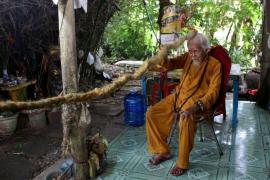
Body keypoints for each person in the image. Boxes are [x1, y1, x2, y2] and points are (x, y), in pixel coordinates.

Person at [146, 33, 222, 176]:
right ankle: (163, 151)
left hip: (197, 104)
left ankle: (182, 162)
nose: (192, 55)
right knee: (151, 113)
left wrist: (194, 108)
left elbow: (213, 93)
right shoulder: (187, 57)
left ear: (206, 49)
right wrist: (163, 54)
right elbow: (170, 64)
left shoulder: (215, 65)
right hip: (178, 97)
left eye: (196, 51)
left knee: (185, 119)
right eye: (190, 50)